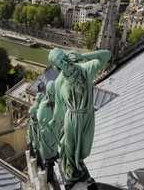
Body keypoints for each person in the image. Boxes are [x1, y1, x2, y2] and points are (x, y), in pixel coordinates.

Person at [48, 48, 111, 189]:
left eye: (64, 56)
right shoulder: (58, 83)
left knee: (84, 151)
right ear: (56, 66)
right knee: (70, 151)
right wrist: (54, 120)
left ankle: (73, 162)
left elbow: (106, 56)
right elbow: (59, 107)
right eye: (60, 60)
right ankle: (71, 171)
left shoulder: (84, 69)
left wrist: (83, 55)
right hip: (72, 118)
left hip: (87, 116)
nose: (65, 60)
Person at [36, 80, 58, 184]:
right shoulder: (59, 104)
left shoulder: (44, 104)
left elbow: (39, 119)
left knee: (48, 159)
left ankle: (48, 179)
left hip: (46, 135)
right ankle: (50, 177)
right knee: (52, 156)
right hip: (54, 134)